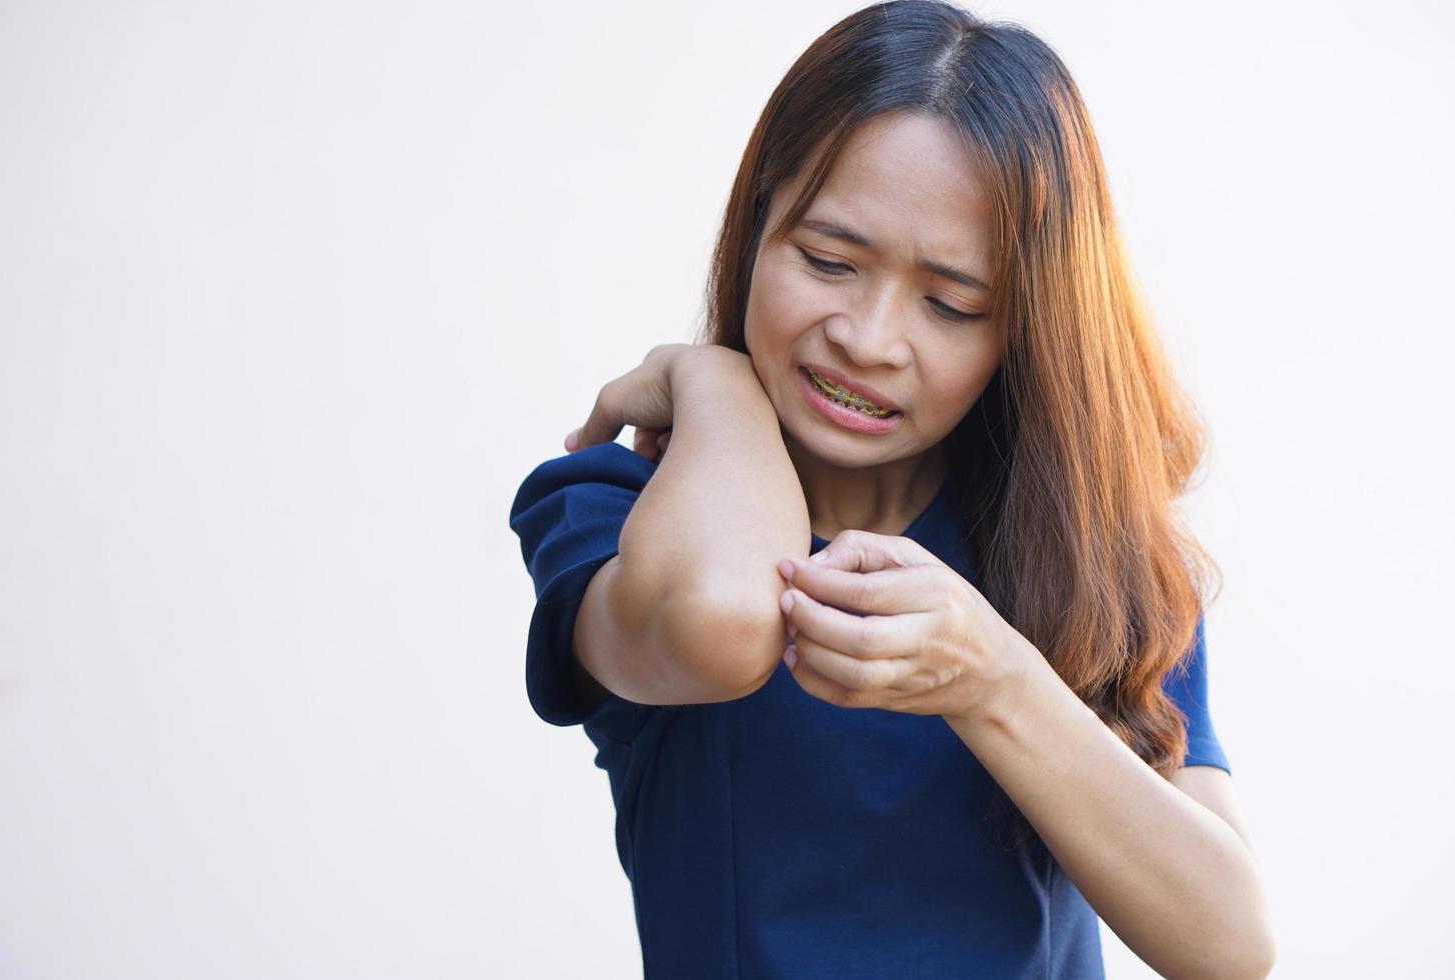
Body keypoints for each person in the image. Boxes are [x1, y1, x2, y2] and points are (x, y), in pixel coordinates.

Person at [508, 2, 1276, 976]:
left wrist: (992, 677)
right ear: (756, 231)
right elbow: (718, 619)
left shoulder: (1088, 555)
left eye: (951, 303)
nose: (869, 340)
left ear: (1021, 328)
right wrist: (717, 381)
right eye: (829, 260)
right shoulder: (617, 512)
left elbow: (1232, 943)